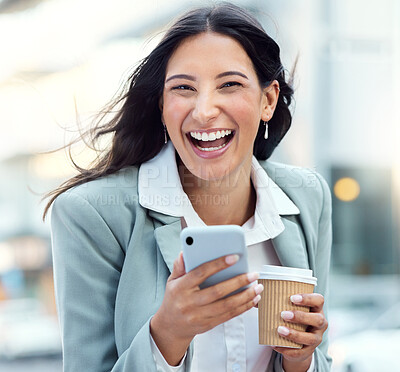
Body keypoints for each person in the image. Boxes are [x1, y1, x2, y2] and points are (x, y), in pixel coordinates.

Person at [45, 2, 332, 371]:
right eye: (183, 88)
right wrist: (168, 334)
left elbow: (320, 355)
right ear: (162, 106)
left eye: (229, 84)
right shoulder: (92, 214)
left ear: (268, 100)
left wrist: (301, 358)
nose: (204, 110)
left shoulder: (308, 197)